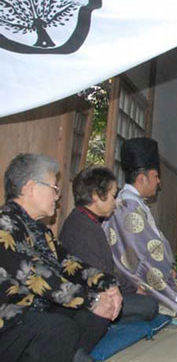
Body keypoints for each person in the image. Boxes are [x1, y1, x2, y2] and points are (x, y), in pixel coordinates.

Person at [0, 153, 122, 362]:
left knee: (95, 316)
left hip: (42, 312)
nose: (57, 196)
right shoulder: (4, 224)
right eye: (54, 188)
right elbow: (35, 276)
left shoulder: (41, 231)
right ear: (30, 188)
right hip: (11, 321)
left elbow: (70, 263)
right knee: (60, 327)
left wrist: (108, 285)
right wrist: (92, 299)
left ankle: (70, 355)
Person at [103, 138, 177, 325]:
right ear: (143, 178)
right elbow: (145, 254)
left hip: (144, 273)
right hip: (134, 280)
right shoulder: (128, 207)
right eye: (156, 177)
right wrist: (168, 268)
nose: (158, 182)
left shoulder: (133, 202)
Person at [60, 167, 158, 323]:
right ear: (96, 196)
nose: (115, 201)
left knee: (146, 299)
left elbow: (107, 270)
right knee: (149, 306)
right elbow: (97, 275)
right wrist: (133, 289)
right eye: (113, 195)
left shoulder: (86, 221)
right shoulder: (82, 228)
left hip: (101, 288)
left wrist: (132, 286)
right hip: (88, 299)